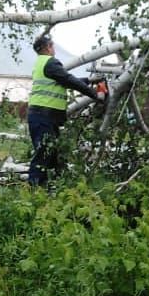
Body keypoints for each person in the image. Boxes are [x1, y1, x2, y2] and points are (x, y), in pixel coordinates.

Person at [26, 33, 105, 187]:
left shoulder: (40, 64)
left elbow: (63, 81)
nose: (54, 49)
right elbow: (69, 80)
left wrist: (90, 80)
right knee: (44, 153)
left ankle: (52, 187)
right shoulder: (50, 63)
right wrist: (96, 95)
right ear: (48, 47)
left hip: (42, 116)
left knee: (53, 155)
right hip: (43, 116)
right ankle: (34, 189)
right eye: (52, 46)